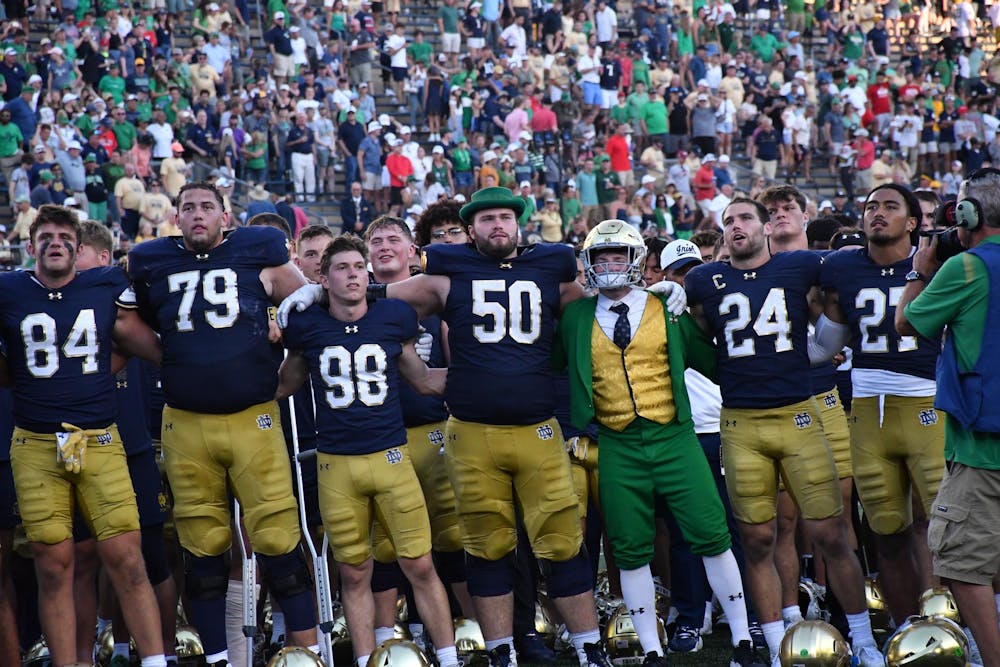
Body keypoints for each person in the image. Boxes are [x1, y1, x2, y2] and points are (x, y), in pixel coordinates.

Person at [278, 187, 618, 667]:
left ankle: (588, 645)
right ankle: (500, 649)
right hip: (469, 431)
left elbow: (601, 309)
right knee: (484, 544)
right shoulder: (448, 272)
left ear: (519, 222)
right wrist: (322, 288)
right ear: (471, 228)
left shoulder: (552, 267)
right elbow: (385, 294)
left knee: (562, 540)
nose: (496, 225)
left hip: (537, 426)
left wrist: (649, 296)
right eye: (485, 219)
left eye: (504, 216)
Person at [555, 221, 766, 667]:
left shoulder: (668, 307)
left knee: (712, 534)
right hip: (616, 442)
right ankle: (651, 648)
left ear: (635, 261)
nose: (609, 265)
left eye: (617, 256)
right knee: (630, 547)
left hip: (674, 436)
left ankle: (744, 638)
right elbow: (558, 366)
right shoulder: (575, 316)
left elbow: (712, 360)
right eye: (600, 258)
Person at [684, 198, 884, 666]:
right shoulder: (702, 280)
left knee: (832, 533)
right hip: (740, 423)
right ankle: (776, 645)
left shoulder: (799, 267)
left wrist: (822, 348)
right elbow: (698, 339)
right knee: (756, 540)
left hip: (799, 413)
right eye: (728, 221)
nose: (737, 226)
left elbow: (833, 302)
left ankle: (864, 640)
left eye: (745, 218)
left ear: (766, 226)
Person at [126, 182, 318, 666]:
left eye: (206, 207)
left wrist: (286, 372)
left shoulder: (261, 252)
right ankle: (220, 658)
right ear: (175, 217)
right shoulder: (152, 263)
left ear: (225, 217)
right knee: (204, 554)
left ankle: (307, 653)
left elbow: (307, 314)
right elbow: (135, 325)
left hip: (251, 417)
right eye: (187, 207)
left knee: (279, 543)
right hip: (187, 423)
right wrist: (172, 361)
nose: (197, 215)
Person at [278, 232, 459, 667]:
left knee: (419, 563)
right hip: (336, 463)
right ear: (323, 277)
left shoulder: (393, 316)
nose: (353, 275)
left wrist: (486, 377)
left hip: (391, 456)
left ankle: (449, 658)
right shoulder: (307, 325)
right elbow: (282, 384)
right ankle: (364, 660)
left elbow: (422, 379)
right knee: (355, 572)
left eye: (359, 267)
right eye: (342, 268)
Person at [0, 205, 168, 667]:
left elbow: (139, 340)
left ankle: (155, 661)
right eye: (46, 235)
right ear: (31, 245)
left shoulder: (104, 284)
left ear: (78, 247)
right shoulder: (9, 289)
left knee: (127, 560)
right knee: (52, 566)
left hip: (98, 438)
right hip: (34, 442)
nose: (55, 242)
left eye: (64, 236)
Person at [812, 184, 944, 625]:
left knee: (948, 530)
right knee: (885, 531)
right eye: (870, 206)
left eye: (890, 206)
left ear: (912, 222)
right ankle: (908, 628)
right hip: (868, 406)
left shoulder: (937, 261)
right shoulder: (841, 267)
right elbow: (825, 345)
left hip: (929, 399)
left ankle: (963, 623)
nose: (878, 213)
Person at [896, 168, 1000, 663]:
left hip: (982, 444)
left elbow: (907, 320)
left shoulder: (968, 268)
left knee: (961, 562)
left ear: (968, 216)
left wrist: (921, 266)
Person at [74, 221, 179, 666]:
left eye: (76, 249)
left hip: (131, 443)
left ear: (100, 257)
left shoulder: (124, 299)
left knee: (149, 557)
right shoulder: (56, 302)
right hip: (74, 446)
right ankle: (106, 649)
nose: (67, 258)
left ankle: (166, 654)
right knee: (85, 558)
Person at [756, 185, 856, 626]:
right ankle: (794, 615)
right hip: (775, 401)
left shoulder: (826, 266)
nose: (779, 216)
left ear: (805, 214)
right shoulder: (750, 268)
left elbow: (842, 322)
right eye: (771, 210)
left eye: (787, 208)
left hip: (824, 395)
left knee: (838, 513)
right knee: (783, 519)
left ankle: (843, 609)